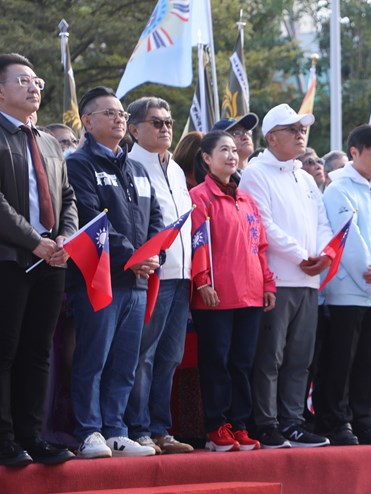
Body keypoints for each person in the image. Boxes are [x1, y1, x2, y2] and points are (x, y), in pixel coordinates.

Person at [66, 86, 163, 458]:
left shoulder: (137, 167)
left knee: (125, 362)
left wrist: (154, 253)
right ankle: (89, 431)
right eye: (109, 113)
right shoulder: (79, 164)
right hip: (98, 279)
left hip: (137, 281)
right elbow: (90, 220)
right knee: (93, 359)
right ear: (87, 121)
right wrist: (132, 255)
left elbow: (155, 218)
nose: (119, 119)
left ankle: (116, 430)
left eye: (122, 114)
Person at [0, 53, 78, 466]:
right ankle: (5, 439)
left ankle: (33, 436)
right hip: (10, 258)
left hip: (52, 260)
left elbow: (67, 196)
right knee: (5, 350)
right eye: (23, 80)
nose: (34, 87)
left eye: (37, 81)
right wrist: (33, 240)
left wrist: (64, 235)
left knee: (37, 351)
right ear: (0, 89)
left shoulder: (48, 141)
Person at [239, 104, 330, 450]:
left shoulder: (306, 178)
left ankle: (293, 421)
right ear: (272, 136)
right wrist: (302, 255)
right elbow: (263, 224)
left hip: (308, 279)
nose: (300, 134)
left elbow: (322, 222)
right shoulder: (256, 173)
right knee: (270, 357)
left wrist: (322, 254)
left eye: (302, 128)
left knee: (300, 357)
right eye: (292, 129)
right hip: (278, 278)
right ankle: (267, 422)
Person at [189, 130, 276, 452]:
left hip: (250, 293)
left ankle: (240, 424)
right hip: (216, 294)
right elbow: (197, 241)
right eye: (222, 150)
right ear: (207, 158)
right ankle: (216, 425)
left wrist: (268, 283)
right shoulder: (199, 196)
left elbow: (260, 245)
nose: (231, 155)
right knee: (217, 361)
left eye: (233, 150)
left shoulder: (246, 199)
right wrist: (202, 280)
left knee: (242, 363)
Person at [319, 124, 371, 446]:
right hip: (346, 290)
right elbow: (347, 237)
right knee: (341, 359)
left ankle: (364, 420)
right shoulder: (338, 189)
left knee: (369, 361)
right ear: (354, 152)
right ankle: (335, 421)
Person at [123, 96, 194, 455]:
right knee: (143, 355)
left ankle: (159, 427)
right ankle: (138, 428)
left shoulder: (178, 170)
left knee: (170, 355)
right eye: (156, 122)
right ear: (134, 129)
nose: (165, 127)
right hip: (151, 275)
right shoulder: (130, 165)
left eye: (168, 121)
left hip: (182, 274)